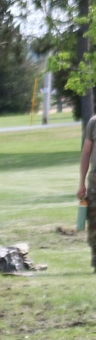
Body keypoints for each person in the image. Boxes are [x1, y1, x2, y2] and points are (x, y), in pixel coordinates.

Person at [78, 113, 96, 272]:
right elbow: (86, 153)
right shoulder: (93, 122)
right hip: (94, 182)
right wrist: (81, 183)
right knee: (94, 224)